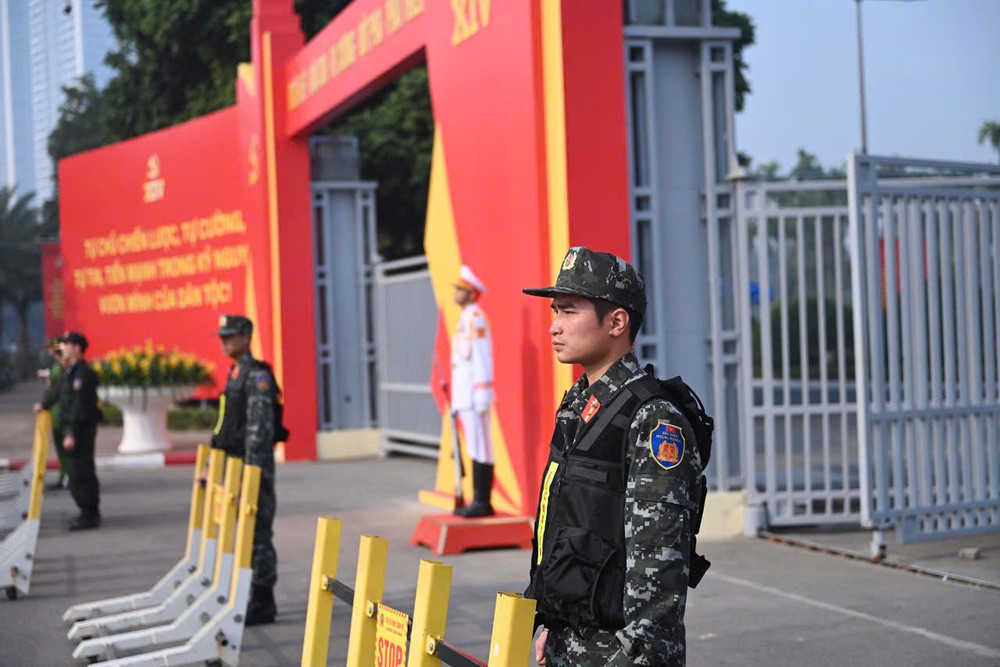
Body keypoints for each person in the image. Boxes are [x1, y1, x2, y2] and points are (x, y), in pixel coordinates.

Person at [522, 247, 702, 666]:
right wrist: (549, 621)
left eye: (569, 311)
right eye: (555, 311)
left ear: (617, 322)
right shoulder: (578, 405)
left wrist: (629, 657)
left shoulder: (653, 419)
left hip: (619, 654)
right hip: (569, 642)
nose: (554, 326)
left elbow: (658, 567)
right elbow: (561, 523)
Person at [210, 314, 280, 626]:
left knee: (258, 532)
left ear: (246, 337)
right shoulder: (236, 372)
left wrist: (250, 474)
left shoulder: (257, 376)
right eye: (222, 336)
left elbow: (259, 432)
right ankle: (250, 594)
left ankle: (263, 600)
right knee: (246, 532)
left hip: (254, 467)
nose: (224, 342)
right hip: (238, 465)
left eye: (230, 336)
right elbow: (228, 423)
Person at [449, 265, 495, 518]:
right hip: (464, 395)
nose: (455, 293)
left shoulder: (476, 318)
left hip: (474, 395)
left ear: (470, 293)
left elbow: (482, 357)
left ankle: (482, 501)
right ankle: (478, 499)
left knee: (481, 446)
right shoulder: (466, 318)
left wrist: (481, 394)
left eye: (460, 289)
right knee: (474, 446)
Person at [49, 331, 102, 530]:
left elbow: (79, 406)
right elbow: (60, 396)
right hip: (74, 428)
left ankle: (90, 514)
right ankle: (86, 512)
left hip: (80, 430)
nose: (63, 348)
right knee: (76, 471)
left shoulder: (83, 374)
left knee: (82, 472)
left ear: (77, 348)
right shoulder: (70, 372)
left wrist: (71, 433)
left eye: (67, 345)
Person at [35, 337, 70, 489]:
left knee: (64, 448)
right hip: (57, 412)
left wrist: (43, 403)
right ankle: (65, 476)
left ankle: (67, 477)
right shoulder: (60, 366)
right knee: (62, 448)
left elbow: (55, 387)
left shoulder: (61, 367)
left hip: (61, 412)